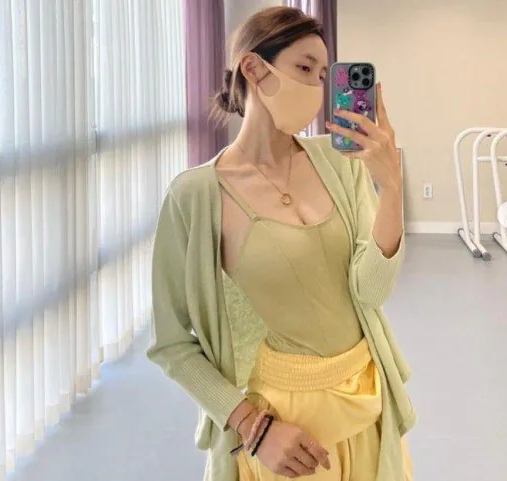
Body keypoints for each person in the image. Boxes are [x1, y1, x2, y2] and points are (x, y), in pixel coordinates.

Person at [147, 6, 416, 481]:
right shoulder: (195, 195)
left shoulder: (341, 164)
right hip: (286, 432)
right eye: (305, 68)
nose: (316, 88)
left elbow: (371, 291)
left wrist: (391, 189)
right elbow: (172, 344)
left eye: (323, 76)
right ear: (254, 69)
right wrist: (255, 428)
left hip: (368, 404)